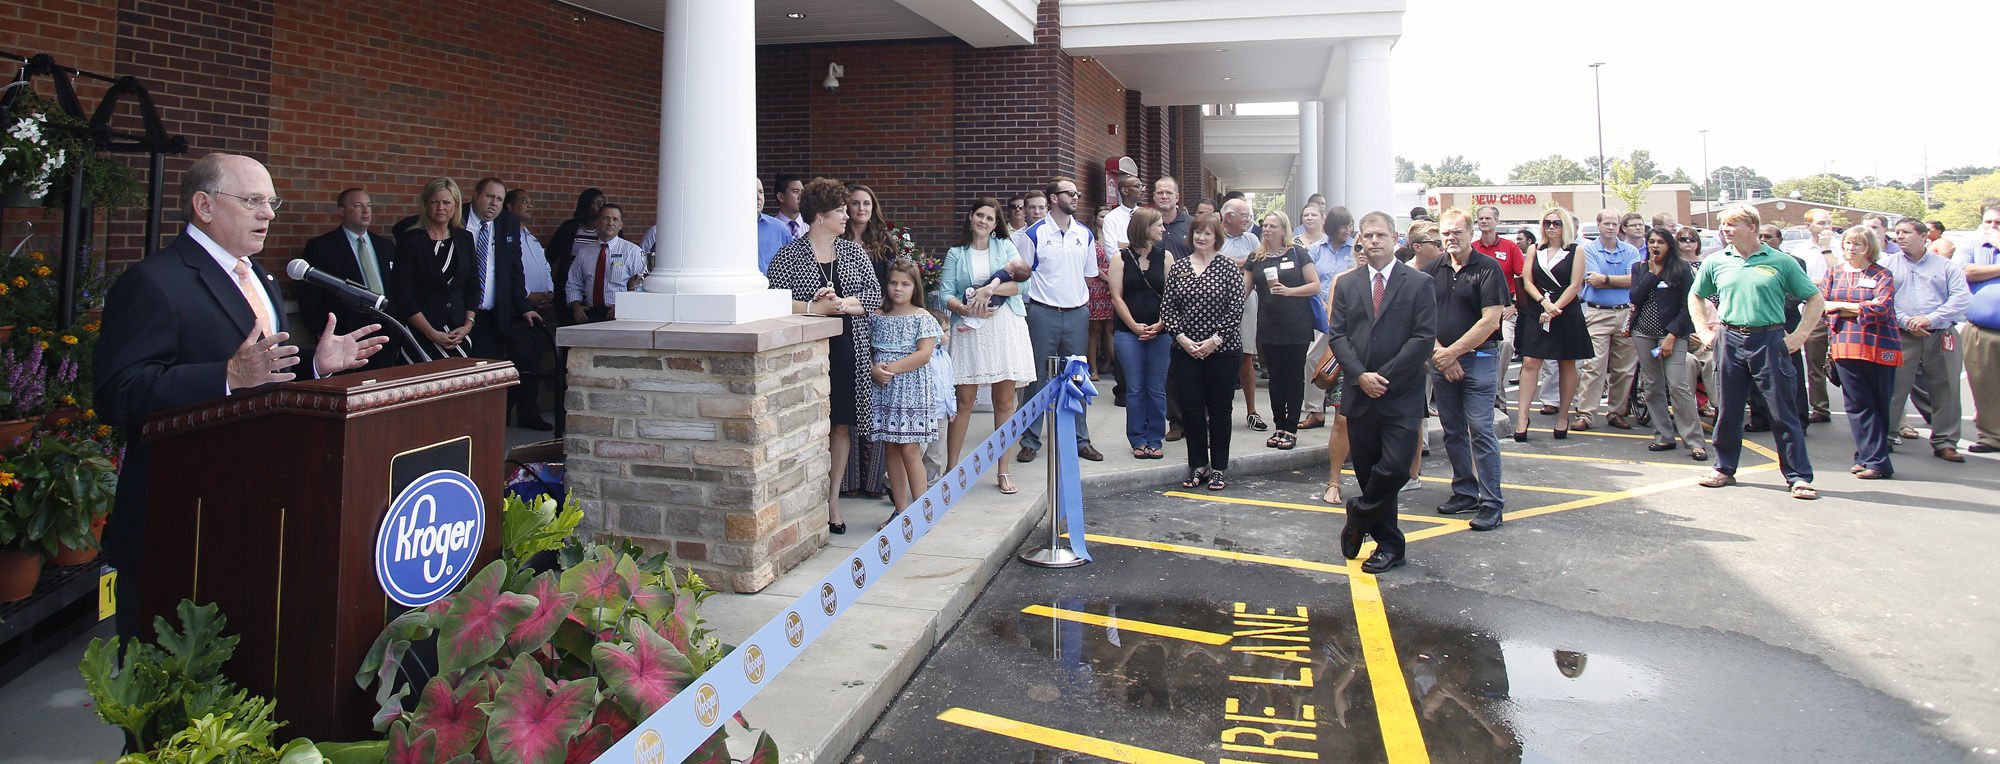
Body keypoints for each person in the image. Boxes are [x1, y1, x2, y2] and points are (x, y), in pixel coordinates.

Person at [95, 152, 387, 640]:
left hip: (257, 514)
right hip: (179, 522)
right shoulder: (152, 281)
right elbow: (117, 393)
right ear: (204, 206)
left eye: (271, 202)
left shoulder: (260, 277)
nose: (269, 214)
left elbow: (265, 376)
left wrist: (315, 363)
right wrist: (226, 375)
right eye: (253, 200)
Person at [766, 177, 880, 534]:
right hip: (807, 357)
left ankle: (832, 501)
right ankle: (806, 498)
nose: (847, 216)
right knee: (808, 424)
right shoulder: (790, 254)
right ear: (818, 216)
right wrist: (816, 308)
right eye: (839, 211)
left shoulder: (854, 253)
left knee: (841, 425)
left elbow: (875, 298)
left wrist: (846, 304)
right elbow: (775, 302)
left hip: (850, 353)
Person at [1328, 211, 1438, 574]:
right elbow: (1338, 336)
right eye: (1367, 236)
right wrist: (1360, 376)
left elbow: (1423, 337)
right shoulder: (1347, 283)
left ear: (1395, 239)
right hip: (1360, 394)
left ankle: (1358, 515)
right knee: (1366, 469)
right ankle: (1390, 545)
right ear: (1359, 240)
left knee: (1394, 468)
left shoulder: (1418, 282)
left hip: (1401, 393)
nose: (1373, 241)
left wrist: (1382, 377)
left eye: (1380, 235)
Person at [1691, 205, 1825, 500]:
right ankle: (1723, 468)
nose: (1725, 230)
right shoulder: (1717, 261)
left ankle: (1799, 476)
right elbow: (1696, 295)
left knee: (1783, 411)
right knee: (1728, 410)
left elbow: (1815, 299)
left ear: (1752, 227)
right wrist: (1704, 331)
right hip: (1730, 339)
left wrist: (1800, 335)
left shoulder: (1781, 262)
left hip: (1769, 339)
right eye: (1723, 225)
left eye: (1732, 225)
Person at [940, 198, 1035, 494]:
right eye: (979, 215)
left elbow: (1023, 285)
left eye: (989, 218)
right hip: (969, 330)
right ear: (970, 217)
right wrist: (967, 310)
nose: (983, 221)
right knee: (964, 400)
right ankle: (951, 469)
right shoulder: (956, 253)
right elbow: (945, 294)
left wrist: (988, 289)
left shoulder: (1005, 248)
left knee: (1004, 401)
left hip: (1005, 325)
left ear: (997, 224)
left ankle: (1003, 470)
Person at [1425, 210, 1508, 531]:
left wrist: (1452, 354)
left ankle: (1491, 503)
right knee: (1453, 430)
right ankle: (1464, 491)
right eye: (1446, 233)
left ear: (1470, 233)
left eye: (1457, 232)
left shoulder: (1488, 269)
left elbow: (1490, 321)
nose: (1451, 239)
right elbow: (1421, 317)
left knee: (1481, 431)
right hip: (1442, 360)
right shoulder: (1432, 270)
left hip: (1480, 359)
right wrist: (1440, 354)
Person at [1012, 177, 1104, 463]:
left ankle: (1080, 439)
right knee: (1036, 378)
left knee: (1077, 376)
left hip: (1077, 312)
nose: (1076, 197)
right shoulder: (1034, 234)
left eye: (1077, 193)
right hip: (1042, 313)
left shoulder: (1084, 234)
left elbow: (1089, 275)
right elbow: (1023, 274)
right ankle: (1029, 440)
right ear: (1053, 198)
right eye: (1070, 193)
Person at [1163, 212, 1248, 490]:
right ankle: (1197, 464)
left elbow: (1236, 309)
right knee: (1191, 410)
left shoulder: (1228, 268)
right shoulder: (1179, 268)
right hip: (1185, 351)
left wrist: (1214, 341)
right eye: (1197, 233)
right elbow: (1168, 308)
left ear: (1216, 238)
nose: (1201, 238)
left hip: (1222, 352)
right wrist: (1183, 339)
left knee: (1220, 410)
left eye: (1207, 234)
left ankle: (1219, 467)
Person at [462, 178, 549, 429]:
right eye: (489, 197)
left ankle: (522, 414)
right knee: (474, 370)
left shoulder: (508, 222)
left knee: (526, 352)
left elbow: (514, 268)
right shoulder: (457, 218)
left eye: (499, 199)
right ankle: (472, 424)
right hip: (464, 315)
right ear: (475, 195)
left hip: (499, 310)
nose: (494, 204)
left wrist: (524, 306)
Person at [1886, 217, 1971, 462]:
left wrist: (1930, 319)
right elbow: (1883, 298)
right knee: (1894, 387)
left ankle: (1945, 441)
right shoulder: (1888, 264)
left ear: (1924, 237)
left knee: (1946, 389)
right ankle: (1888, 436)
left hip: (1940, 333)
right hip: (1902, 334)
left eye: (1906, 232)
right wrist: (1907, 321)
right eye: (1897, 232)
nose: (1899, 236)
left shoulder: (1946, 266)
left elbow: (1961, 299)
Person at [1822, 227, 1901, 479]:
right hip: (1845, 345)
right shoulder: (1834, 273)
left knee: (1878, 403)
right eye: (1847, 243)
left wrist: (1842, 306)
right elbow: (1822, 306)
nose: (1851, 248)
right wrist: (1854, 308)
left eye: (1858, 244)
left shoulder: (1882, 274)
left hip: (1879, 346)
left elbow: (1881, 307)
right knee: (1858, 404)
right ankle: (1873, 460)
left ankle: (1872, 458)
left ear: (1870, 248)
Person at [1625, 227, 1707, 459]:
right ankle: (1663, 435)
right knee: (1652, 385)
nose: (1655, 246)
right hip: (1643, 333)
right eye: (1651, 241)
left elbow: (1688, 305)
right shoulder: (1640, 268)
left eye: (1660, 242)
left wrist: (1672, 336)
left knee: (1679, 386)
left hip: (1672, 334)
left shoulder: (1681, 269)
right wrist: (1651, 273)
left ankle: (1694, 440)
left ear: (1669, 245)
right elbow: (1635, 297)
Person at [870, 259, 944, 513]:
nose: (898, 289)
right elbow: (868, 350)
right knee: (890, 446)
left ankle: (922, 510)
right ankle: (900, 512)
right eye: (893, 283)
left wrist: (889, 369)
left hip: (910, 388)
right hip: (884, 388)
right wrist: (874, 369)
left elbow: (923, 354)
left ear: (915, 288)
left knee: (910, 447)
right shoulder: (878, 316)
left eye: (905, 284)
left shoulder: (921, 317)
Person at [1512, 208, 1591, 440]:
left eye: (1556, 223)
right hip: (1539, 309)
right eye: (1547, 223)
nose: (1552, 227)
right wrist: (1544, 304)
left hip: (1566, 311)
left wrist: (1555, 309)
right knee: (1530, 363)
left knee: (1567, 364)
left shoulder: (1576, 251)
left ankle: (1563, 415)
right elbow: (1527, 280)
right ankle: (1522, 417)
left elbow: (1575, 285)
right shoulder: (1535, 250)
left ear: (1565, 226)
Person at [300, 187, 398, 369]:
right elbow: (309, 296)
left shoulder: (384, 245)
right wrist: (320, 331)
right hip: (345, 337)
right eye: (358, 206)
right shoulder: (322, 247)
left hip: (384, 335)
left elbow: (395, 287)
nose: (366, 210)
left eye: (368, 205)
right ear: (342, 212)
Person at [1247, 210, 1319, 450]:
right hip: (1269, 325)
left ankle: (1291, 427)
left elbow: (1314, 286)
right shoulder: (1256, 257)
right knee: (1275, 378)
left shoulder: (1298, 253)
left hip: (1296, 324)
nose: (1267, 230)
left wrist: (1289, 291)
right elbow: (1243, 292)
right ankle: (1278, 425)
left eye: (1273, 226)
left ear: (1284, 230)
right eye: (1265, 225)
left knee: (1293, 377)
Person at [1108, 206, 1173, 459]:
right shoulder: (1120, 258)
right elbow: (1116, 296)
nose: (1163, 229)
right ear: (1145, 228)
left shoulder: (1165, 257)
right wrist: (1134, 325)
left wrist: (1161, 324)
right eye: (1158, 225)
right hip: (1127, 332)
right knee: (1134, 388)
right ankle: (1137, 438)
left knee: (1156, 387)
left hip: (1161, 332)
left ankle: (1155, 437)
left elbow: (1172, 295)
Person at [392, 177, 481, 359]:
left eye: (446, 202)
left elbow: (473, 286)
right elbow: (402, 294)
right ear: (426, 205)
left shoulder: (464, 239)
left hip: (458, 335)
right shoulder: (410, 241)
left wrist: (468, 324)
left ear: (455, 205)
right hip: (421, 335)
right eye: (435, 202)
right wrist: (431, 333)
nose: (441, 207)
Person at [1574, 208, 1643, 431]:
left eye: (1615, 224)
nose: (1611, 228)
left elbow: (1634, 280)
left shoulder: (1631, 251)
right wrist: (1617, 279)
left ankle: (1616, 411)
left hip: (1625, 312)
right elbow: (1592, 280)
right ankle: (1586, 413)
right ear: (1599, 225)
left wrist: (1605, 278)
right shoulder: (1588, 249)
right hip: (1598, 312)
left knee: (1624, 368)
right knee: (1594, 366)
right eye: (1607, 224)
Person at [1784, 209, 1840, 424]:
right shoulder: (1800, 251)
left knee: (1844, 363)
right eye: (1821, 223)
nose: (1827, 227)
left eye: (1829, 222)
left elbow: (1841, 274)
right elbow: (1800, 285)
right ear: (1808, 226)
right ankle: (1820, 407)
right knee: (1814, 363)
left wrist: (1827, 250)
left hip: (1842, 312)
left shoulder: (1842, 248)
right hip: (1813, 311)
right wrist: (1819, 284)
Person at [1954, 203, 2000, 454]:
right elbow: (1965, 272)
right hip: (1981, 329)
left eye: (1998, 223)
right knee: (1985, 385)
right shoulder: (1970, 245)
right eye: (1988, 222)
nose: (1992, 228)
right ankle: (1991, 436)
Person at [1218, 197, 1265, 431]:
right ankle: (1218, 410)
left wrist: (1234, 261)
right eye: (1244, 215)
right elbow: (1210, 261)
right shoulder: (1214, 235)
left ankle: (1252, 411)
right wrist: (1240, 262)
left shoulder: (1252, 238)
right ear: (1229, 217)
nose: (1249, 219)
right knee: (1217, 354)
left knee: (1246, 354)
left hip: (1247, 301)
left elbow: (1254, 264)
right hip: (1216, 303)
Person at [1471, 206, 1525, 410]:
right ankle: (1490, 394)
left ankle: (1495, 391)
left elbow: (1523, 278)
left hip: (1505, 307)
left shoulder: (1510, 247)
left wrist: (1516, 305)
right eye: (1481, 218)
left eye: (1488, 218)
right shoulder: (1472, 247)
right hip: (1478, 308)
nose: (1484, 221)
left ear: (1497, 222)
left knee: (1506, 345)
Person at [564, 204, 645, 323]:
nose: (610, 223)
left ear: (621, 225)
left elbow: (642, 285)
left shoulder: (632, 252)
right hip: (590, 315)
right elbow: (573, 283)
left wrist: (623, 306)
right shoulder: (584, 253)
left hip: (620, 315)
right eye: (606, 218)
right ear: (597, 222)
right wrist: (576, 308)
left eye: (615, 219)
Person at [505, 189, 557, 324]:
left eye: (531, 203)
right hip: (518, 308)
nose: (530, 206)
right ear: (509, 206)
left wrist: (549, 292)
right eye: (524, 202)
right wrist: (527, 295)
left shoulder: (532, 238)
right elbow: (507, 270)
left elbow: (546, 268)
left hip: (542, 308)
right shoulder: (505, 237)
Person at [548, 188, 605, 311]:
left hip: (599, 295)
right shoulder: (569, 228)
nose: (600, 207)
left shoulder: (608, 231)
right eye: (595, 203)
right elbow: (551, 256)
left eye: (602, 203)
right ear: (585, 205)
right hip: (569, 292)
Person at [756, 176, 795, 274]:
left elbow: (792, 266)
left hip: (774, 288)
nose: (758, 198)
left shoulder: (779, 228)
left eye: (761, 192)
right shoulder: (730, 229)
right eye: (752, 192)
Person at [772, 173, 807, 239]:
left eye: (802, 192)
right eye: (795, 191)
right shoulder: (770, 228)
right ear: (781, 197)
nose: (801, 196)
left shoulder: (811, 227)